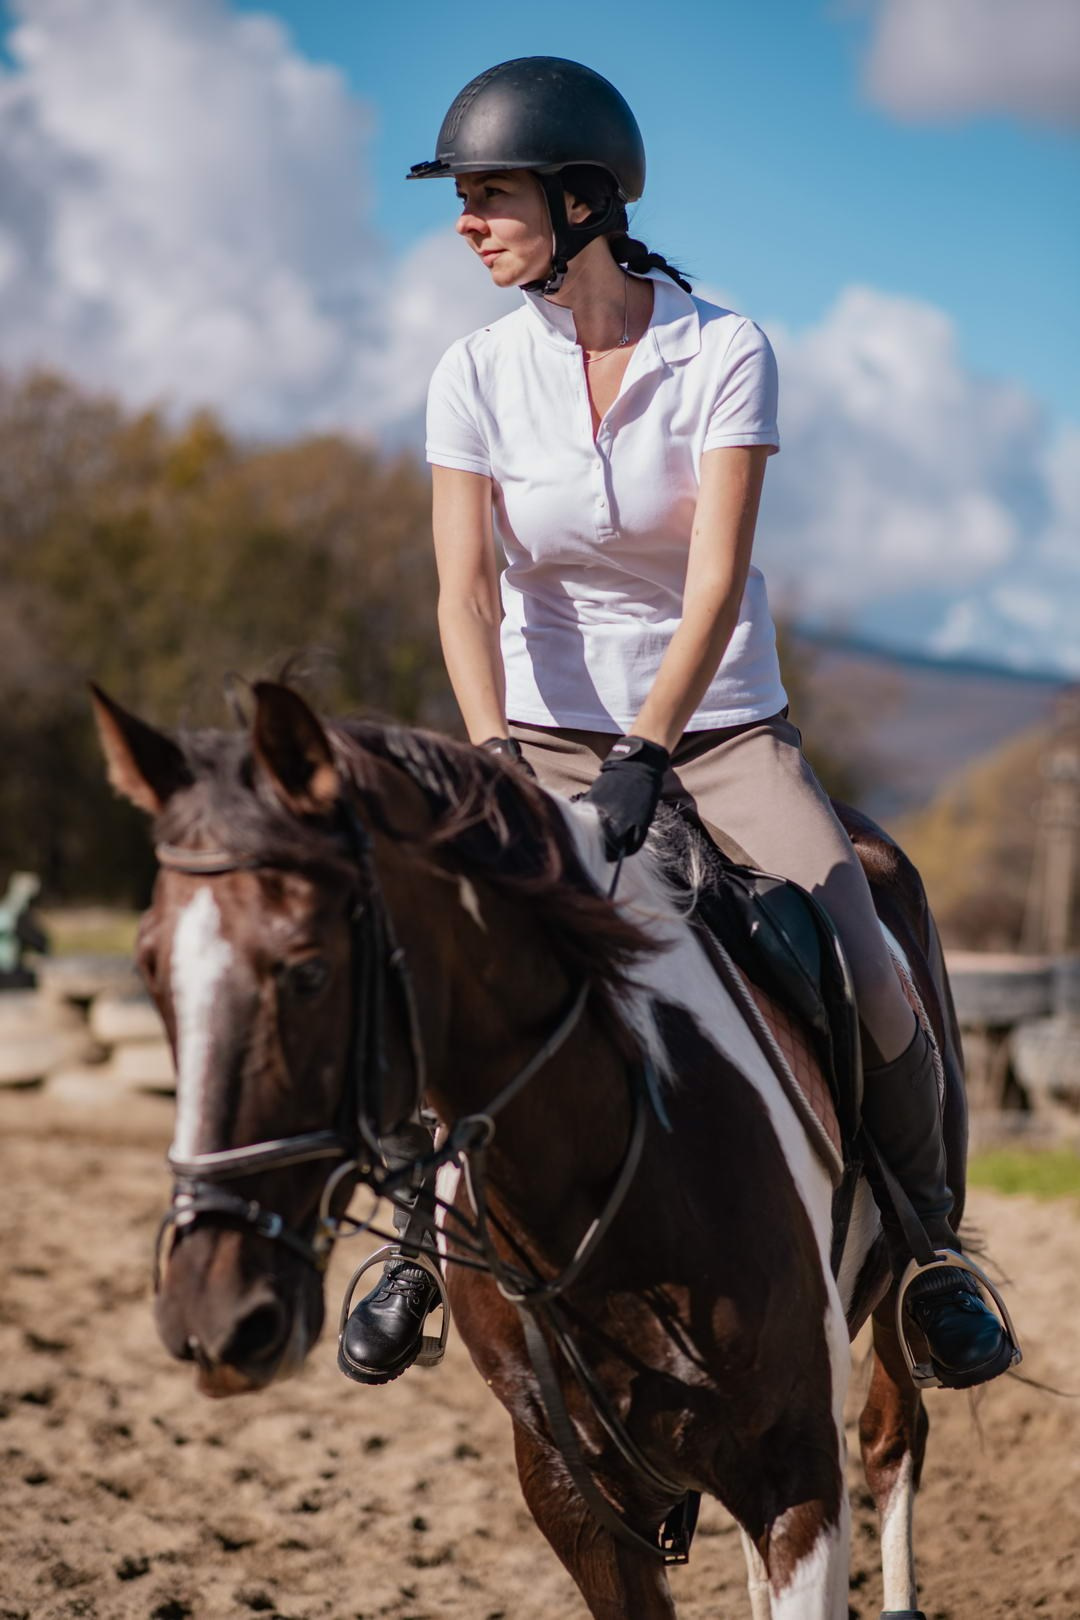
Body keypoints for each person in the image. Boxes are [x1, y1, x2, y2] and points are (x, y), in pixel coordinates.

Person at [340, 55, 1014, 1392]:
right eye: (462, 200)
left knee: (871, 968)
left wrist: (651, 750)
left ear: (582, 201)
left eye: (490, 197)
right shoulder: (473, 373)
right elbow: (464, 590)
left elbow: (715, 583)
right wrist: (496, 758)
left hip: (720, 733)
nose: (466, 224)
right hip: (536, 735)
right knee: (429, 954)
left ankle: (932, 1252)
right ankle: (418, 1237)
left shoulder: (723, 351)